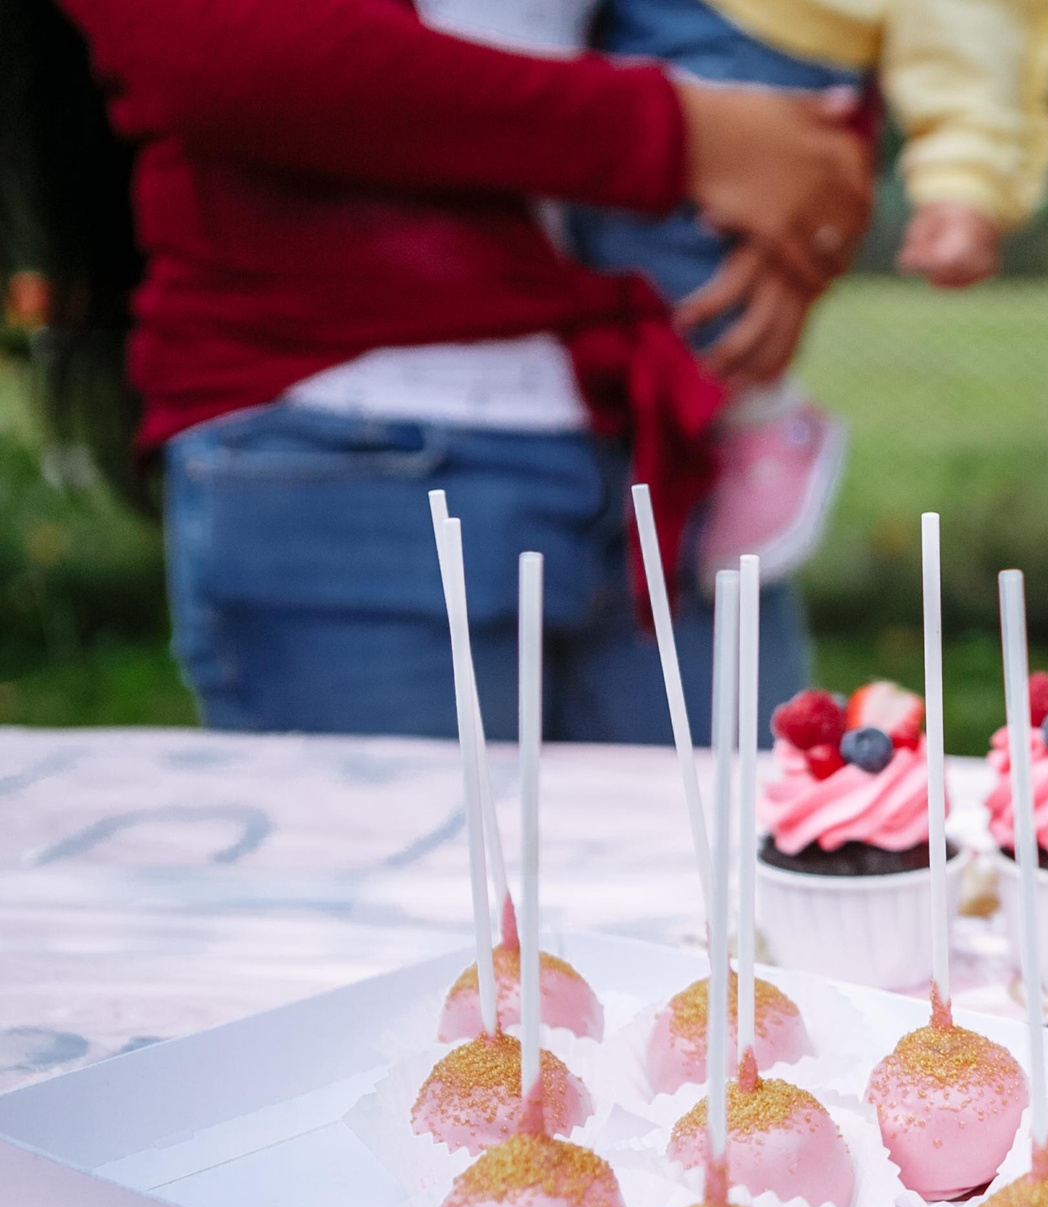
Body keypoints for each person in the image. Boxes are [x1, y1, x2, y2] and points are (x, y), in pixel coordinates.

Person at [12, 0, 876, 742]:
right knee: (403, 929)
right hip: (345, 446)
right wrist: (687, 136)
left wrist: (802, 183)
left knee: (741, 914)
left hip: (659, 432)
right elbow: (221, 45)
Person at [564, 0, 1048, 586]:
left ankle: (761, 417)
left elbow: (970, 29)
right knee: (616, 238)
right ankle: (699, 426)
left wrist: (965, 183)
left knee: (682, 268)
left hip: (762, 34)